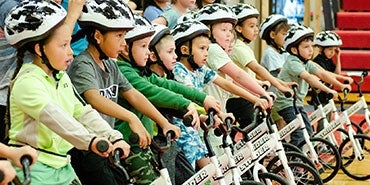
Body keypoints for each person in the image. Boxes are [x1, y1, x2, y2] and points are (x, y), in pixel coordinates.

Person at [4, 0, 128, 184]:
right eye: (63, 46)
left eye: (70, 44)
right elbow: (57, 119)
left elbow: (81, 111)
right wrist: (91, 140)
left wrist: (113, 135)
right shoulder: (27, 82)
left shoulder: (60, 77)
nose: (70, 52)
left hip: (61, 165)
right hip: (33, 167)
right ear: (40, 49)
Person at [67, 1, 181, 185]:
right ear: (97, 36)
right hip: (89, 149)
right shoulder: (83, 64)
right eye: (119, 36)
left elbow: (133, 94)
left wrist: (163, 122)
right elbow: (93, 98)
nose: (123, 43)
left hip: (111, 146)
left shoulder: (111, 64)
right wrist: (132, 118)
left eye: (125, 36)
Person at [117, 15, 222, 183]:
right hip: (133, 143)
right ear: (125, 49)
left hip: (150, 140)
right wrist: (186, 104)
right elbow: (152, 92)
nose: (148, 52)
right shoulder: (125, 71)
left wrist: (203, 99)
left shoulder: (139, 72)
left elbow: (169, 86)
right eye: (143, 46)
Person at [171, 20, 270, 155]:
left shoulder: (200, 70)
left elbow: (227, 84)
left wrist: (254, 99)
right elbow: (193, 95)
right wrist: (219, 114)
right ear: (184, 50)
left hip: (198, 128)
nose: (206, 53)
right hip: (185, 130)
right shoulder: (179, 70)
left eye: (207, 49)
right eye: (202, 49)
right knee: (208, 171)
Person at [196, 3, 273, 127]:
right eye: (223, 30)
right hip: (210, 115)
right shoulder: (213, 48)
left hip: (219, 113)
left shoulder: (216, 50)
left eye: (230, 31)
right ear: (208, 30)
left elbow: (233, 82)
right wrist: (260, 95)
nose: (229, 35)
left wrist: (256, 94)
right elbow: (237, 75)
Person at [273, 24, 352, 146]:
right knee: (298, 134)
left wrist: (340, 85)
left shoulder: (306, 62)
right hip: (285, 103)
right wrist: (328, 90)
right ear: (294, 50)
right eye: (306, 47)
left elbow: (322, 74)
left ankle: (300, 158)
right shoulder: (293, 62)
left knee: (309, 132)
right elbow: (309, 78)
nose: (311, 50)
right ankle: (291, 161)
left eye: (311, 46)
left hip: (296, 103)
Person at [228, 4, 294, 129]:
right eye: (251, 26)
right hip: (239, 99)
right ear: (239, 28)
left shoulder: (243, 47)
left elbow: (250, 75)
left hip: (245, 97)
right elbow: (257, 69)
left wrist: (281, 83)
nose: (256, 30)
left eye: (256, 26)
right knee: (259, 131)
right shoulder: (238, 47)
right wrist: (279, 85)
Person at [311, 30, 353, 131]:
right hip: (320, 97)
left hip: (328, 96)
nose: (332, 52)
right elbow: (327, 76)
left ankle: (323, 143)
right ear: (321, 48)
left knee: (327, 122)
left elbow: (337, 73)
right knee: (323, 123)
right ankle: (320, 144)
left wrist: (338, 57)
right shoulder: (318, 61)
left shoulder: (328, 60)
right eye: (330, 49)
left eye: (334, 50)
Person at [259, 14, 291, 129]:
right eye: (284, 34)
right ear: (272, 35)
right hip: (274, 98)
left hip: (284, 97)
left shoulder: (284, 52)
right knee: (281, 124)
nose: (287, 38)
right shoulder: (270, 53)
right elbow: (282, 73)